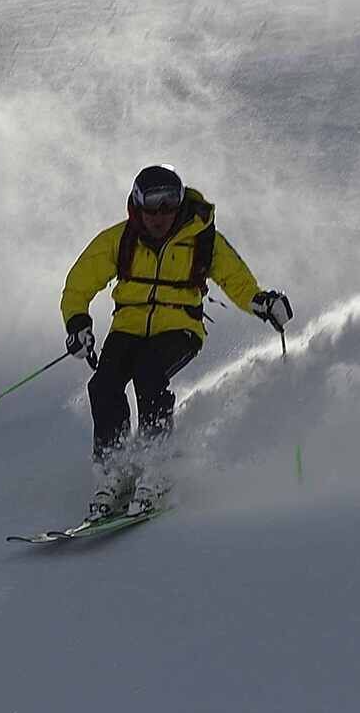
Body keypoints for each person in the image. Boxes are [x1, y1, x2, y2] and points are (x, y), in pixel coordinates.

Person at [56, 163, 291, 516]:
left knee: (149, 374)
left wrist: (262, 302)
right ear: (137, 205)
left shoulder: (203, 238)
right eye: (152, 205)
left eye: (169, 205)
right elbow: (79, 284)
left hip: (179, 327)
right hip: (128, 327)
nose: (160, 215)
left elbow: (236, 280)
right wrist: (78, 323)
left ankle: (156, 464)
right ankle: (114, 468)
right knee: (104, 384)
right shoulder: (120, 240)